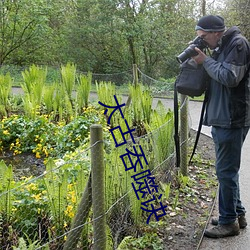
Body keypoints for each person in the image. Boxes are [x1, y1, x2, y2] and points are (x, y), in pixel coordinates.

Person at [192, 15, 250, 238]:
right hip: (222, 117)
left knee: (225, 171)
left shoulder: (238, 44)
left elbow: (229, 77)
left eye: (204, 37)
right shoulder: (221, 46)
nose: (203, 41)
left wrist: (205, 61)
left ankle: (228, 223)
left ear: (216, 32)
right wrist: (202, 60)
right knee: (227, 171)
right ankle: (237, 214)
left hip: (232, 118)